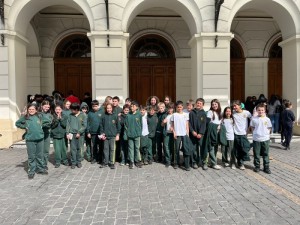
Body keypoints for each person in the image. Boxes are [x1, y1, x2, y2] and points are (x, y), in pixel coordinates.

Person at [15, 103, 50, 179]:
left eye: (33, 109)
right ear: (28, 110)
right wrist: (24, 126)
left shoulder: (40, 116)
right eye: (29, 109)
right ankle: (31, 171)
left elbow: (48, 121)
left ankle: (40, 169)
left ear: (36, 110)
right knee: (31, 156)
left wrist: (42, 125)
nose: (31, 111)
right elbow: (17, 123)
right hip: (30, 139)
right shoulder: (25, 117)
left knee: (40, 155)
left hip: (40, 139)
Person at [250, 104, 272, 174]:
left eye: (262, 110)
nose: (260, 111)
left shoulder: (267, 119)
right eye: (259, 110)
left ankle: (266, 167)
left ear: (264, 110)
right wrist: (256, 134)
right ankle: (257, 166)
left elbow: (269, 128)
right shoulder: (254, 119)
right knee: (256, 154)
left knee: (266, 154)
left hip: (265, 139)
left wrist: (266, 134)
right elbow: (252, 128)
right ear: (256, 110)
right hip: (256, 139)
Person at [99, 103, 121, 169]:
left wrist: (117, 135)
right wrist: (102, 133)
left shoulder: (115, 116)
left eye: (110, 108)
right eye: (107, 108)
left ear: (112, 108)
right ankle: (105, 162)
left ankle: (112, 162)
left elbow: (118, 126)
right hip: (105, 136)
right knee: (105, 149)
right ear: (106, 108)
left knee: (112, 149)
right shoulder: (103, 116)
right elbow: (101, 125)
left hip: (113, 136)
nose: (109, 109)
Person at [66, 102, 87, 169]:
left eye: (73, 110)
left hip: (80, 135)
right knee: (73, 149)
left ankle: (78, 162)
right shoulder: (70, 115)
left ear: (77, 109)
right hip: (72, 134)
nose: (72, 111)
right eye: (71, 109)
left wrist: (79, 132)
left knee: (79, 148)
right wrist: (67, 133)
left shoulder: (83, 115)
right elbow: (68, 124)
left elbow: (84, 125)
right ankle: (73, 162)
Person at [171, 101, 190, 171]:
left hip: (184, 134)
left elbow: (187, 125)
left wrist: (188, 134)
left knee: (186, 149)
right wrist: (174, 133)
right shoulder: (174, 115)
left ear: (182, 107)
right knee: (176, 149)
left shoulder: (185, 114)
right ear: (176, 108)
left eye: (180, 107)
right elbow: (172, 125)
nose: (179, 108)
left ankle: (186, 164)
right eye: (178, 107)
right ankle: (176, 163)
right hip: (177, 134)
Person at [232, 100, 252, 170]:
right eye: (233, 106)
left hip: (243, 134)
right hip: (235, 133)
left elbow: (252, 118)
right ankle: (240, 163)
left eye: (235, 106)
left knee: (245, 148)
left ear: (240, 105)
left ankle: (242, 161)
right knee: (237, 149)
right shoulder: (233, 113)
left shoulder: (246, 112)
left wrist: (249, 127)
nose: (234, 107)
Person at [188, 98, 207, 169]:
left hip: (200, 135)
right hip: (193, 134)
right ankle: (194, 162)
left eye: (200, 103)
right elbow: (189, 123)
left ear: (203, 105)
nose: (198, 104)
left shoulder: (204, 113)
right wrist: (192, 131)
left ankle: (203, 162)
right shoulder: (192, 112)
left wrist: (201, 133)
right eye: (197, 103)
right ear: (196, 104)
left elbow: (204, 124)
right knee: (194, 149)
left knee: (202, 148)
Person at [124, 101, 143, 169]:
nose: (132, 107)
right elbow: (125, 125)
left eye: (133, 106)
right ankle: (131, 161)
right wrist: (127, 134)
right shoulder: (128, 115)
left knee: (137, 148)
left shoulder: (139, 115)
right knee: (130, 148)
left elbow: (141, 125)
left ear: (137, 107)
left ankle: (137, 160)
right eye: (131, 106)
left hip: (137, 135)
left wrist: (139, 133)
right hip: (130, 135)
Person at [205, 99, 222, 170]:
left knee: (215, 148)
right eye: (213, 104)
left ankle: (212, 162)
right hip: (212, 132)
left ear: (218, 104)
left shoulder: (219, 113)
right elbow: (208, 123)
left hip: (218, 132)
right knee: (211, 148)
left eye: (215, 104)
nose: (214, 105)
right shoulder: (210, 112)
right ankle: (214, 163)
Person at [87, 100, 102, 164]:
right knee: (94, 146)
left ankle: (100, 158)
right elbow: (87, 123)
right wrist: (88, 132)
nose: (94, 107)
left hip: (100, 132)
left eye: (96, 106)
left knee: (101, 146)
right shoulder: (89, 113)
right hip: (93, 132)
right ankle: (94, 158)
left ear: (98, 105)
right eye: (93, 106)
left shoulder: (102, 112)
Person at [40, 100, 53, 170]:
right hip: (40, 134)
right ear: (42, 106)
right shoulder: (38, 114)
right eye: (45, 106)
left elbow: (51, 123)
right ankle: (40, 164)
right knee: (40, 150)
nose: (47, 108)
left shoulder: (50, 115)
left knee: (46, 150)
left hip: (47, 134)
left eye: (48, 107)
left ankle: (45, 163)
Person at [162, 102, 175, 168]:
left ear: (173, 109)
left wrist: (173, 127)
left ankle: (173, 160)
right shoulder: (165, 115)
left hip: (173, 133)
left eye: (171, 108)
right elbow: (162, 125)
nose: (170, 110)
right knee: (166, 146)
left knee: (173, 147)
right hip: (166, 133)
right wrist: (163, 122)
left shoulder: (175, 115)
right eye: (168, 108)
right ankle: (168, 161)